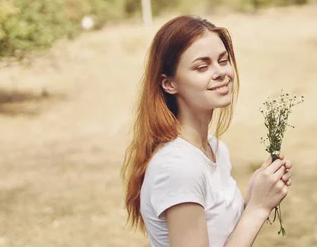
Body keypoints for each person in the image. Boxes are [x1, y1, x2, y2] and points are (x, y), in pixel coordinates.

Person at [121, 15, 293, 247]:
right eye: (202, 67)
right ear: (169, 84)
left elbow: (221, 237)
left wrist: (253, 197)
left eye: (223, 61)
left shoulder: (215, 149)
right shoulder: (178, 167)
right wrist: (257, 209)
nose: (220, 72)